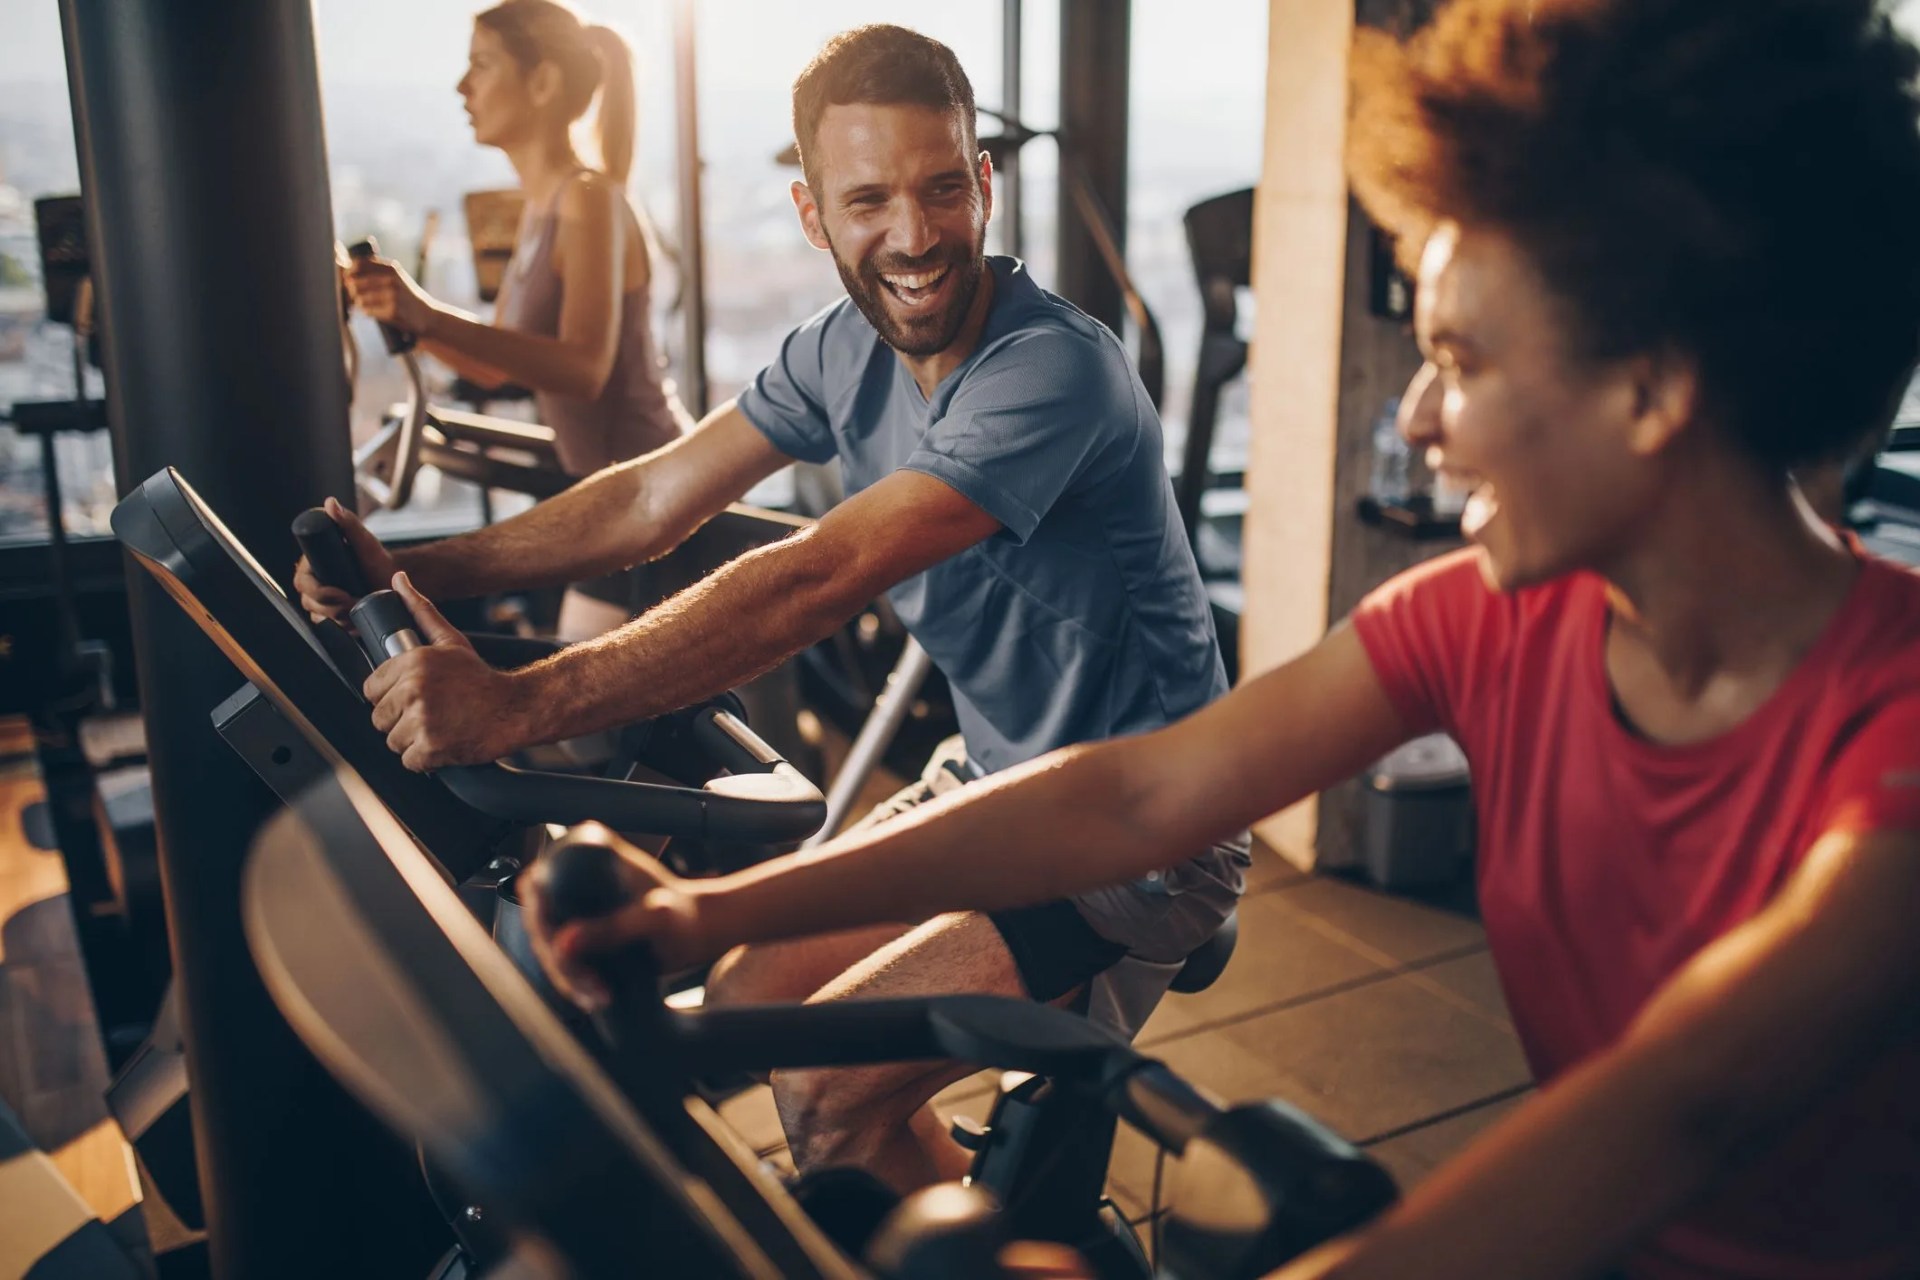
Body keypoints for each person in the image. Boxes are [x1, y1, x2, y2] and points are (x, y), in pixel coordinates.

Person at [525, 1, 1920, 1276]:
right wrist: (709, 914)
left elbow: (1690, 1106)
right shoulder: (1485, 623)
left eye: (1467, 362)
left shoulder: (1897, 726)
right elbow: (1139, 789)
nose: (1421, 421)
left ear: (1652, 390)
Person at [298, 24, 1248, 1197]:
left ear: (984, 186)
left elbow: (816, 576)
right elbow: (650, 497)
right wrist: (415, 573)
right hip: (995, 781)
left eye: (942, 188)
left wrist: (516, 704)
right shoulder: (836, 352)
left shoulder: (1056, 368)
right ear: (812, 215)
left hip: (1142, 836)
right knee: (746, 997)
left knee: (823, 1090)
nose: (912, 236)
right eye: (869, 200)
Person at [344, 0, 689, 639]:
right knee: (590, 724)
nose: (462, 86)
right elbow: (496, 368)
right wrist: (408, 318)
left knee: (585, 724)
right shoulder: (540, 208)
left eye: (481, 65)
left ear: (543, 83)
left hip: (647, 489)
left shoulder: (590, 200)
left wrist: (425, 311)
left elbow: (585, 367)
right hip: (602, 492)